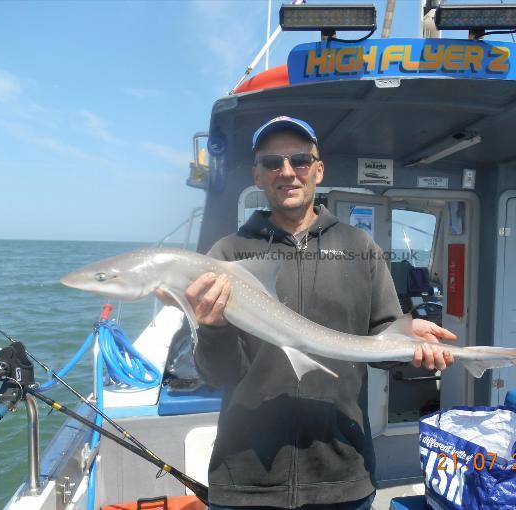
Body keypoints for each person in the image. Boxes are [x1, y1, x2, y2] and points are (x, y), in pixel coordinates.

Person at [185, 116, 456, 509]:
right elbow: (219, 375)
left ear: (318, 169)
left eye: (299, 160)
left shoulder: (358, 246)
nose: (287, 172)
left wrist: (413, 347)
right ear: (257, 176)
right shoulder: (228, 255)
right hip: (246, 479)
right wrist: (211, 329)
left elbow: (383, 339)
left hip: (342, 473)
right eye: (272, 163)